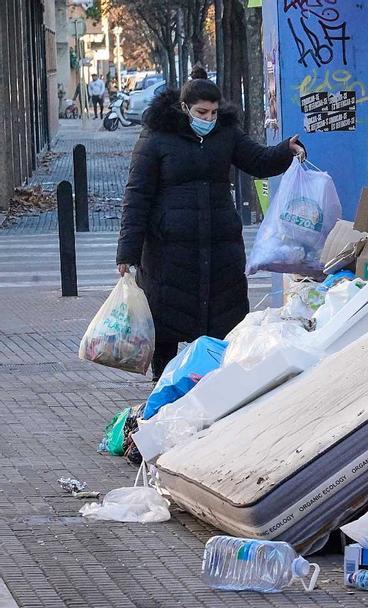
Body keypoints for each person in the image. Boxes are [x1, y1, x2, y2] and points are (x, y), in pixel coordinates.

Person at [115, 66, 305, 379]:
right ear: (184, 108)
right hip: (169, 253)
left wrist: (286, 150)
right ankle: (163, 387)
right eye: (201, 112)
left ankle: (218, 387)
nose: (208, 119)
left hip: (220, 251)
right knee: (168, 327)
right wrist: (127, 254)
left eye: (214, 112)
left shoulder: (225, 134)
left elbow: (258, 159)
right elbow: (137, 196)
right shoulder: (158, 138)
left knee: (223, 326)